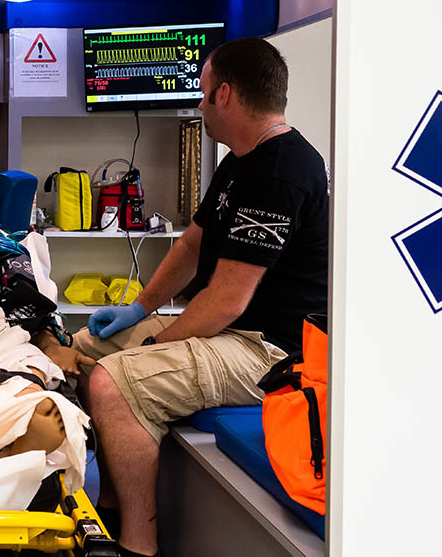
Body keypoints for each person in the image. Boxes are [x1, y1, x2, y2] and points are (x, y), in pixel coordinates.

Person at [70, 37, 328, 557]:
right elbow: (193, 242)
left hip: (270, 350)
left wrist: (156, 342)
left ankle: (137, 544)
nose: (200, 102)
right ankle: (114, 502)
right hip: (230, 328)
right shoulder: (240, 160)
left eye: (204, 92)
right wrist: (139, 309)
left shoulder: (282, 172)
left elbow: (227, 301)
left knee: (114, 381)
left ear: (226, 95)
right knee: (86, 344)